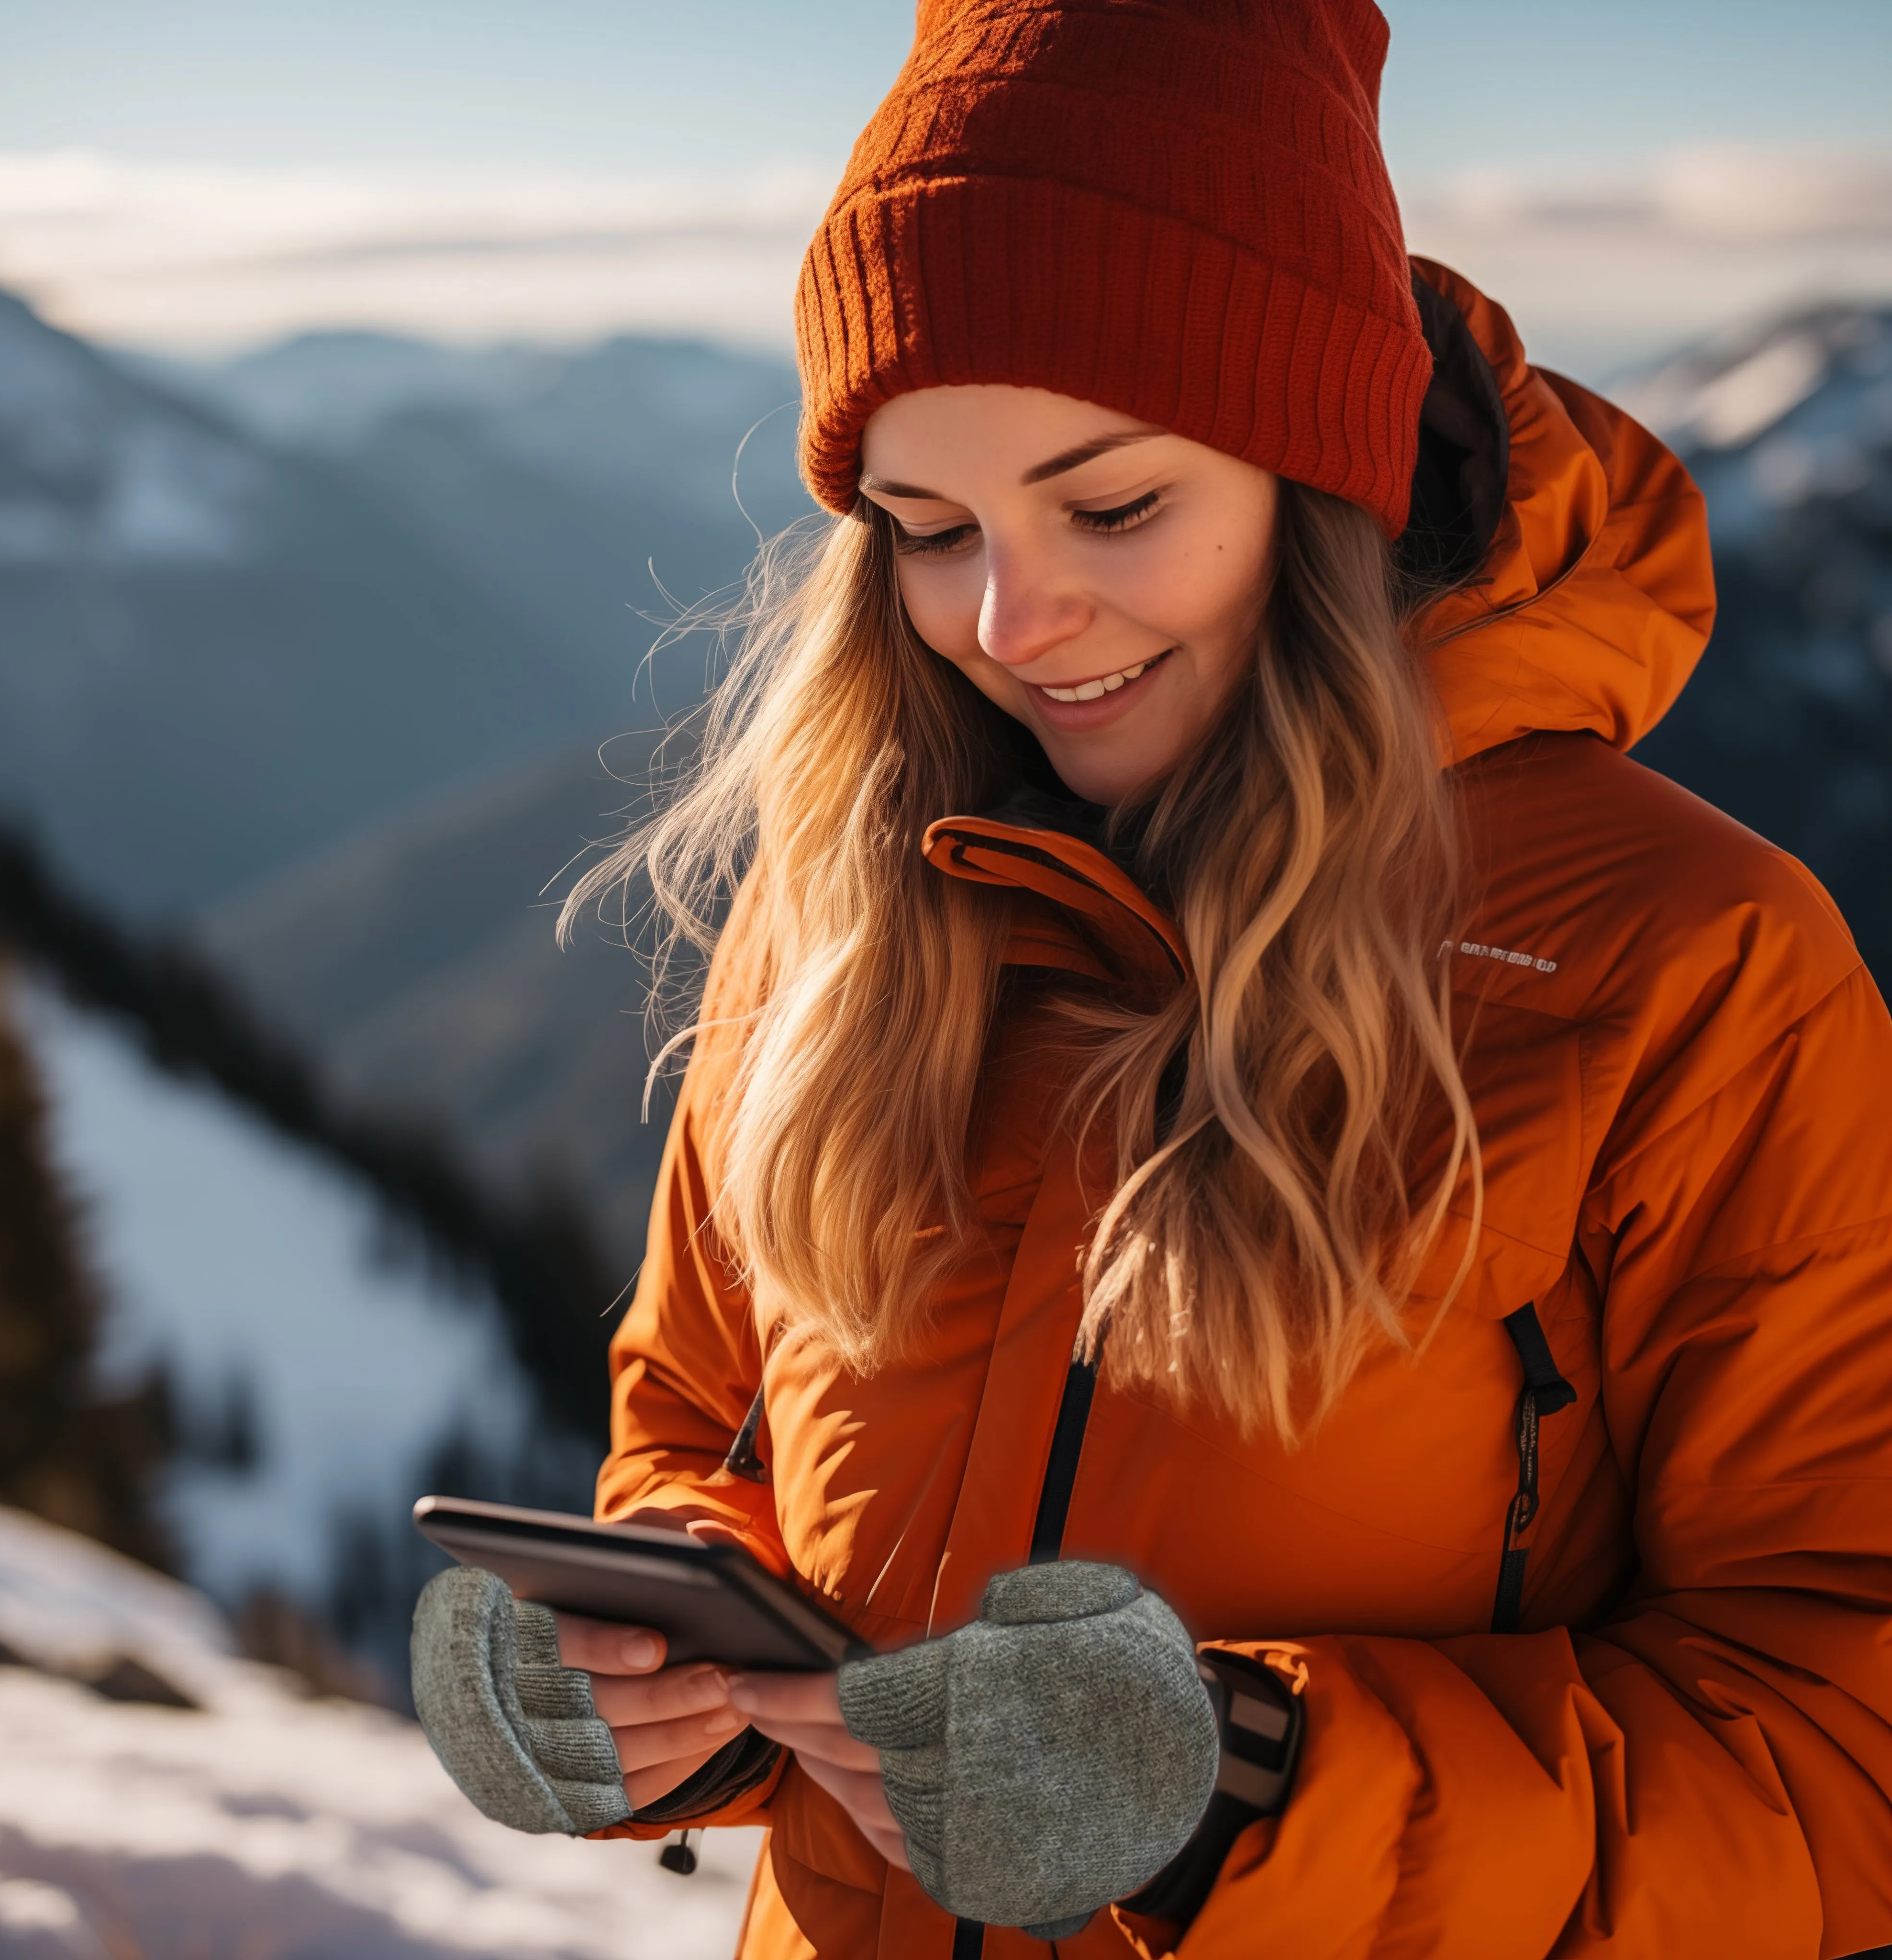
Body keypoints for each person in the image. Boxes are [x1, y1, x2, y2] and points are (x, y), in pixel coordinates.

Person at [410, 1, 1892, 1953]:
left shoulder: (1683, 962)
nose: (1015, 623)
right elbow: (705, 1432)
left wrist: (1237, 1786)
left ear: (1327, 470)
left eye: (1113, 507)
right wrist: (661, 1674)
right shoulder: (845, 911)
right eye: (927, 532)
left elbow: (1838, 1748)